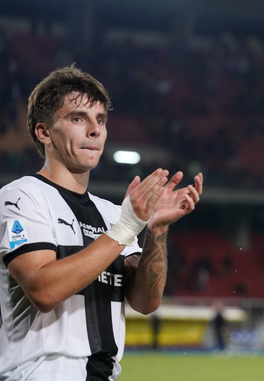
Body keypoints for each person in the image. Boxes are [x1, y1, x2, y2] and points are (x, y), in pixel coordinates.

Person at [0, 66, 203, 380]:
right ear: (44, 133)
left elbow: (144, 301)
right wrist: (125, 228)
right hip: (41, 372)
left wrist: (156, 230)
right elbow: (43, 291)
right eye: (78, 118)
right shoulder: (22, 197)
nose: (94, 130)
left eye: (101, 120)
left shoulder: (112, 213)